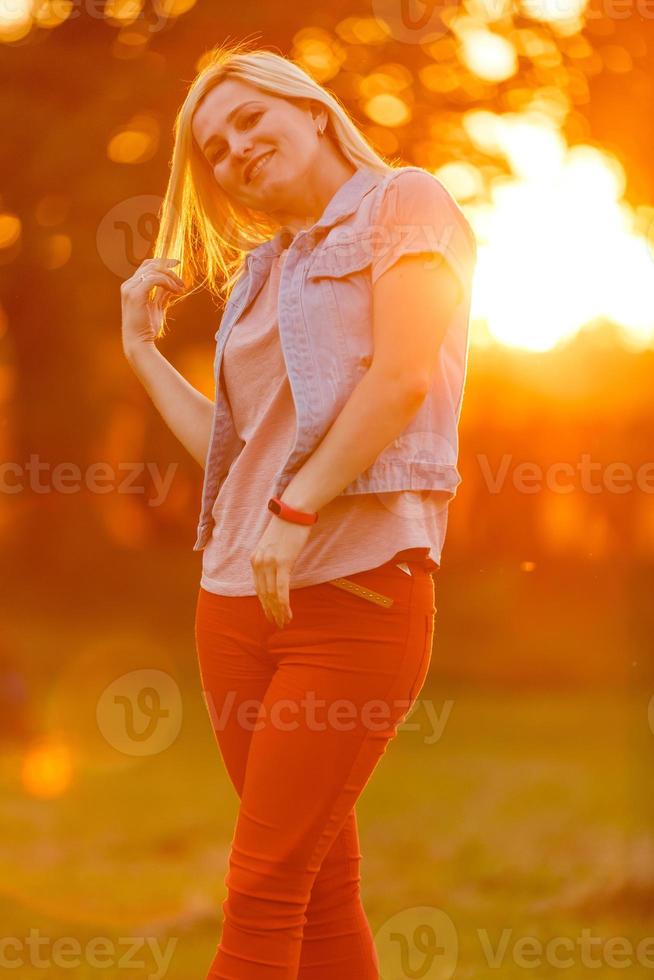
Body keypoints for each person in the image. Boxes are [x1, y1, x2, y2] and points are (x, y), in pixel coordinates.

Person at [120, 39, 477, 980]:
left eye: (249, 120)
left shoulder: (407, 202)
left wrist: (297, 509)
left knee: (260, 893)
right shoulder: (258, 274)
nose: (235, 149)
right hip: (234, 604)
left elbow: (402, 376)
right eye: (216, 148)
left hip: (355, 595)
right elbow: (235, 462)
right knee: (316, 890)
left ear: (311, 109)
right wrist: (144, 353)